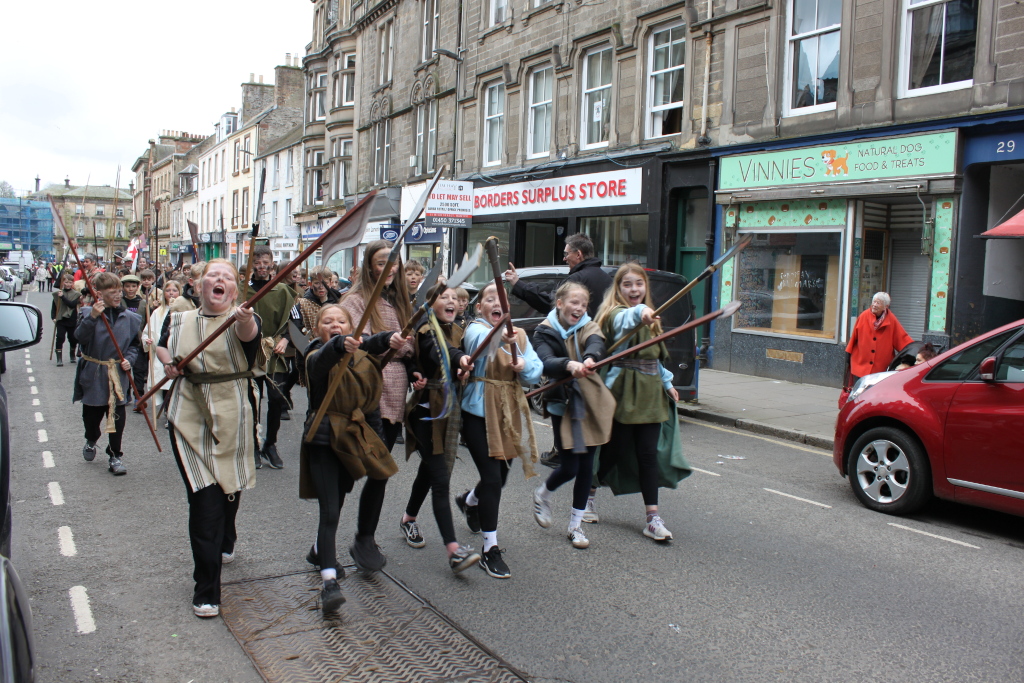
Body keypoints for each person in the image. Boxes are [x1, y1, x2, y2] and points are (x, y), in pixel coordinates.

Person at [156, 259, 261, 619]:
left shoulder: (244, 318)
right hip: (188, 415)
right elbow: (164, 347)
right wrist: (170, 364)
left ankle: (226, 535)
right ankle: (206, 589)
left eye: (227, 277)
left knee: (228, 493)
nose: (219, 280)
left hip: (233, 415)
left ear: (235, 289)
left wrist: (244, 317)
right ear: (200, 284)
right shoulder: (179, 317)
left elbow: (248, 336)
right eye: (213, 275)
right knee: (204, 502)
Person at [299, 304, 407, 613]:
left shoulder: (364, 359)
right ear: (317, 328)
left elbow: (371, 347)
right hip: (323, 440)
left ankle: (319, 550)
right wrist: (337, 344)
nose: (335, 324)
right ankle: (329, 583)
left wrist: (389, 339)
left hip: (355, 436)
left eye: (341, 321)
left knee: (351, 491)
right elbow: (325, 359)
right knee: (330, 511)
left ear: (352, 326)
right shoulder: (313, 355)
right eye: (327, 321)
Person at [590, 263, 689, 541]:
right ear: (618, 288)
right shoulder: (614, 314)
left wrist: (668, 383)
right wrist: (641, 312)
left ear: (645, 286)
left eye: (639, 283)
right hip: (622, 391)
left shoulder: (651, 317)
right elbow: (627, 320)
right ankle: (588, 494)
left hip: (650, 393)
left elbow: (654, 357)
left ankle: (652, 518)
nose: (634, 289)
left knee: (649, 455)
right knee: (613, 451)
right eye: (627, 284)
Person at [455, 282, 543, 578]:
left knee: (501, 477)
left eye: (502, 300)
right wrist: (504, 339)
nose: (496, 304)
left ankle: (468, 501)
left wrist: (523, 366)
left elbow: (535, 370)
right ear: (479, 307)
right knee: (492, 478)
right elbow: (483, 344)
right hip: (477, 413)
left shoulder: (518, 334)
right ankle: (489, 549)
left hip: (508, 412)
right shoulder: (474, 330)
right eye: (489, 299)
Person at [399, 283, 480, 572]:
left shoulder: (458, 328)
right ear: (430, 304)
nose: (451, 302)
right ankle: (454, 549)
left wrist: (462, 367)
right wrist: (457, 360)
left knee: (430, 470)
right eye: (443, 297)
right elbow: (440, 352)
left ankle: (408, 518)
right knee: (440, 478)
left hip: (449, 412)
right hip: (426, 414)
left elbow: (456, 349)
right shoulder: (425, 330)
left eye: (454, 299)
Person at [531, 281, 615, 549]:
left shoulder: (589, 324)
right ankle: (543, 493)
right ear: (560, 303)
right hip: (562, 402)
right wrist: (568, 365)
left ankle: (575, 526)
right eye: (574, 302)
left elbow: (596, 342)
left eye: (583, 303)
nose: (579, 308)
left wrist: (590, 358)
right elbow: (544, 361)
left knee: (587, 467)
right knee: (569, 465)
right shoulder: (544, 331)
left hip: (589, 400)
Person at [339, 241, 414, 451]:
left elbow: (410, 348)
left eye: (393, 263)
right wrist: (384, 340)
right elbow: (352, 342)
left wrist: (415, 370)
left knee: (383, 459)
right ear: (370, 267)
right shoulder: (355, 300)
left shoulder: (400, 301)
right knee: (363, 457)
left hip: (396, 385)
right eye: (382, 263)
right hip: (368, 380)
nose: (389, 269)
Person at [74, 272, 142, 476]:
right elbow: (79, 337)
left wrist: (129, 360)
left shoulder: (130, 318)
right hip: (94, 373)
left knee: (117, 419)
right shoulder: (87, 313)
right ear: (99, 293)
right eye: (112, 292)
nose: (118, 295)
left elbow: (133, 346)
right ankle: (91, 439)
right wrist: (93, 317)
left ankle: (115, 455)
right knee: (91, 419)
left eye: (119, 291)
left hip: (117, 376)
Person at [246, 246, 296, 470]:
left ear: (272, 265)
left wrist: (285, 339)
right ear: (251, 266)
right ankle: (253, 446)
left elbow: (295, 320)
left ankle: (270, 444)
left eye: (266, 263)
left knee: (277, 398)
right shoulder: (242, 291)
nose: (262, 267)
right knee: (252, 402)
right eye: (257, 263)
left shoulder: (283, 290)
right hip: (249, 352)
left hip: (274, 350)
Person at [503, 233, 612, 319]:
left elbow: (549, 302)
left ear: (578, 254)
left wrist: (518, 284)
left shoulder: (575, 280)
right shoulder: (608, 279)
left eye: (566, 254)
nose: (564, 258)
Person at [845, 292, 914, 386]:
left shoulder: (891, 320)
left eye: (878, 303)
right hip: (861, 364)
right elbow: (854, 337)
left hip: (880, 368)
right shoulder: (863, 316)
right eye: (874, 302)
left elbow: (902, 338)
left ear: (886, 306)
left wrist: (915, 351)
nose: (874, 305)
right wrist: (848, 353)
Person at [142, 279, 182, 412]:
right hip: (161, 351)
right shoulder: (158, 311)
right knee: (164, 382)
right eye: (168, 290)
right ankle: (166, 410)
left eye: (174, 290)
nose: (171, 293)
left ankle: (173, 409)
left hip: (178, 351)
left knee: (176, 382)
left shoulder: (185, 310)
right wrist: (147, 339)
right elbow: (149, 330)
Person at [51, 271, 81, 367]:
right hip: (61, 319)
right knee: (60, 337)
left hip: (72, 319)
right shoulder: (57, 294)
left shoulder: (76, 294)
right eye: (66, 282)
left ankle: (72, 354)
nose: (68, 284)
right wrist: (53, 317)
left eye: (70, 282)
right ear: (62, 283)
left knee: (72, 339)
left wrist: (63, 297)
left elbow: (72, 305)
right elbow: (54, 306)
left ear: (73, 283)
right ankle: (59, 359)